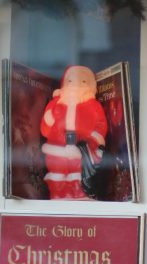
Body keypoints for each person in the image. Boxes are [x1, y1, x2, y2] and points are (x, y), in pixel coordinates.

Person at [40, 65, 107, 200]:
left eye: (83, 81)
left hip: (81, 149)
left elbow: (101, 125)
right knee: (57, 171)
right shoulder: (55, 104)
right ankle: (58, 192)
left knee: (78, 171)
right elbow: (45, 130)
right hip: (56, 149)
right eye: (70, 81)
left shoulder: (94, 106)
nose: (76, 85)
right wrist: (49, 119)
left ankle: (79, 192)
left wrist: (93, 137)